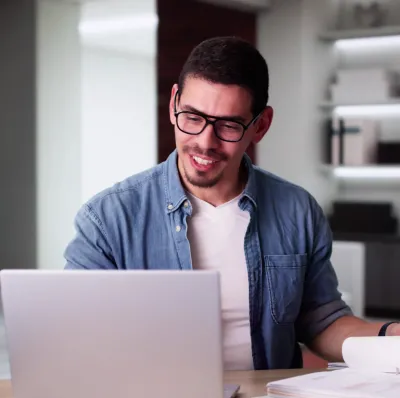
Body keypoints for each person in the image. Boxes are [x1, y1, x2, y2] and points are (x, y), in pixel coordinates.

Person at [64, 36, 399, 370]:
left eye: (228, 125)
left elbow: (321, 320)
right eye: (192, 118)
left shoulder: (297, 211)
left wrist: (387, 335)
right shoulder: (108, 218)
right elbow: (73, 331)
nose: (204, 143)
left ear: (261, 125)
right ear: (173, 105)